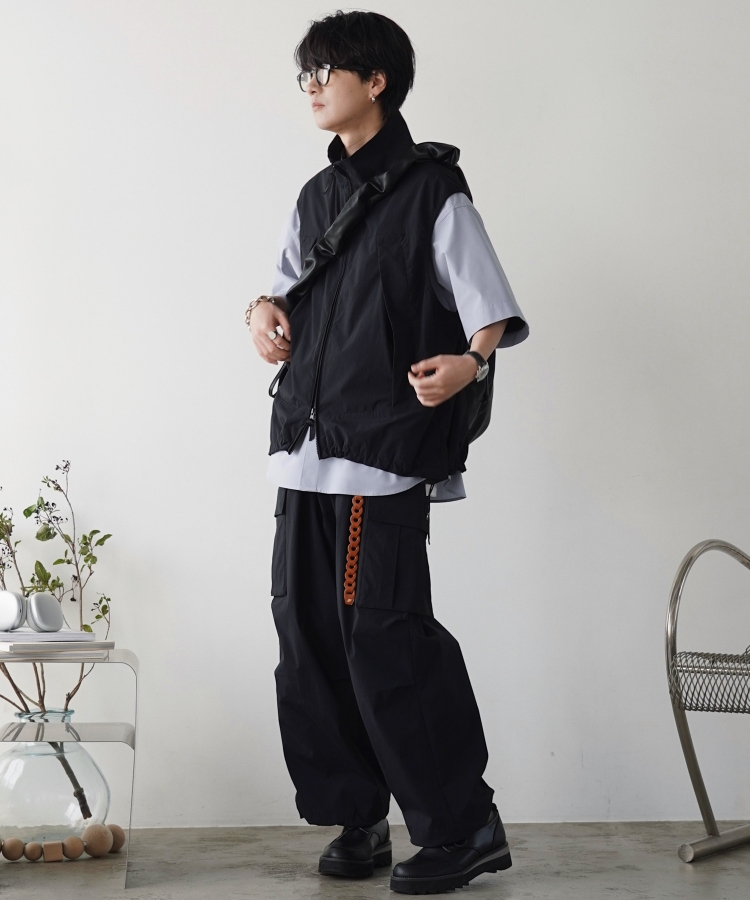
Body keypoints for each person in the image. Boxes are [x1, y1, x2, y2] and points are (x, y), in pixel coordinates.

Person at [246, 10, 528, 895]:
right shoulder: (314, 197)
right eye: (305, 73)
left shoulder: (434, 190)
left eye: (326, 71)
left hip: (382, 453)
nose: (311, 86)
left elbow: (488, 308)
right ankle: (358, 816)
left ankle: (463, 826)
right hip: (306, 448)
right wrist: (259, 313)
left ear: (377, 81)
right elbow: (285, 295)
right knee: (307, 632)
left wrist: (469, 362)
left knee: (384, 635)